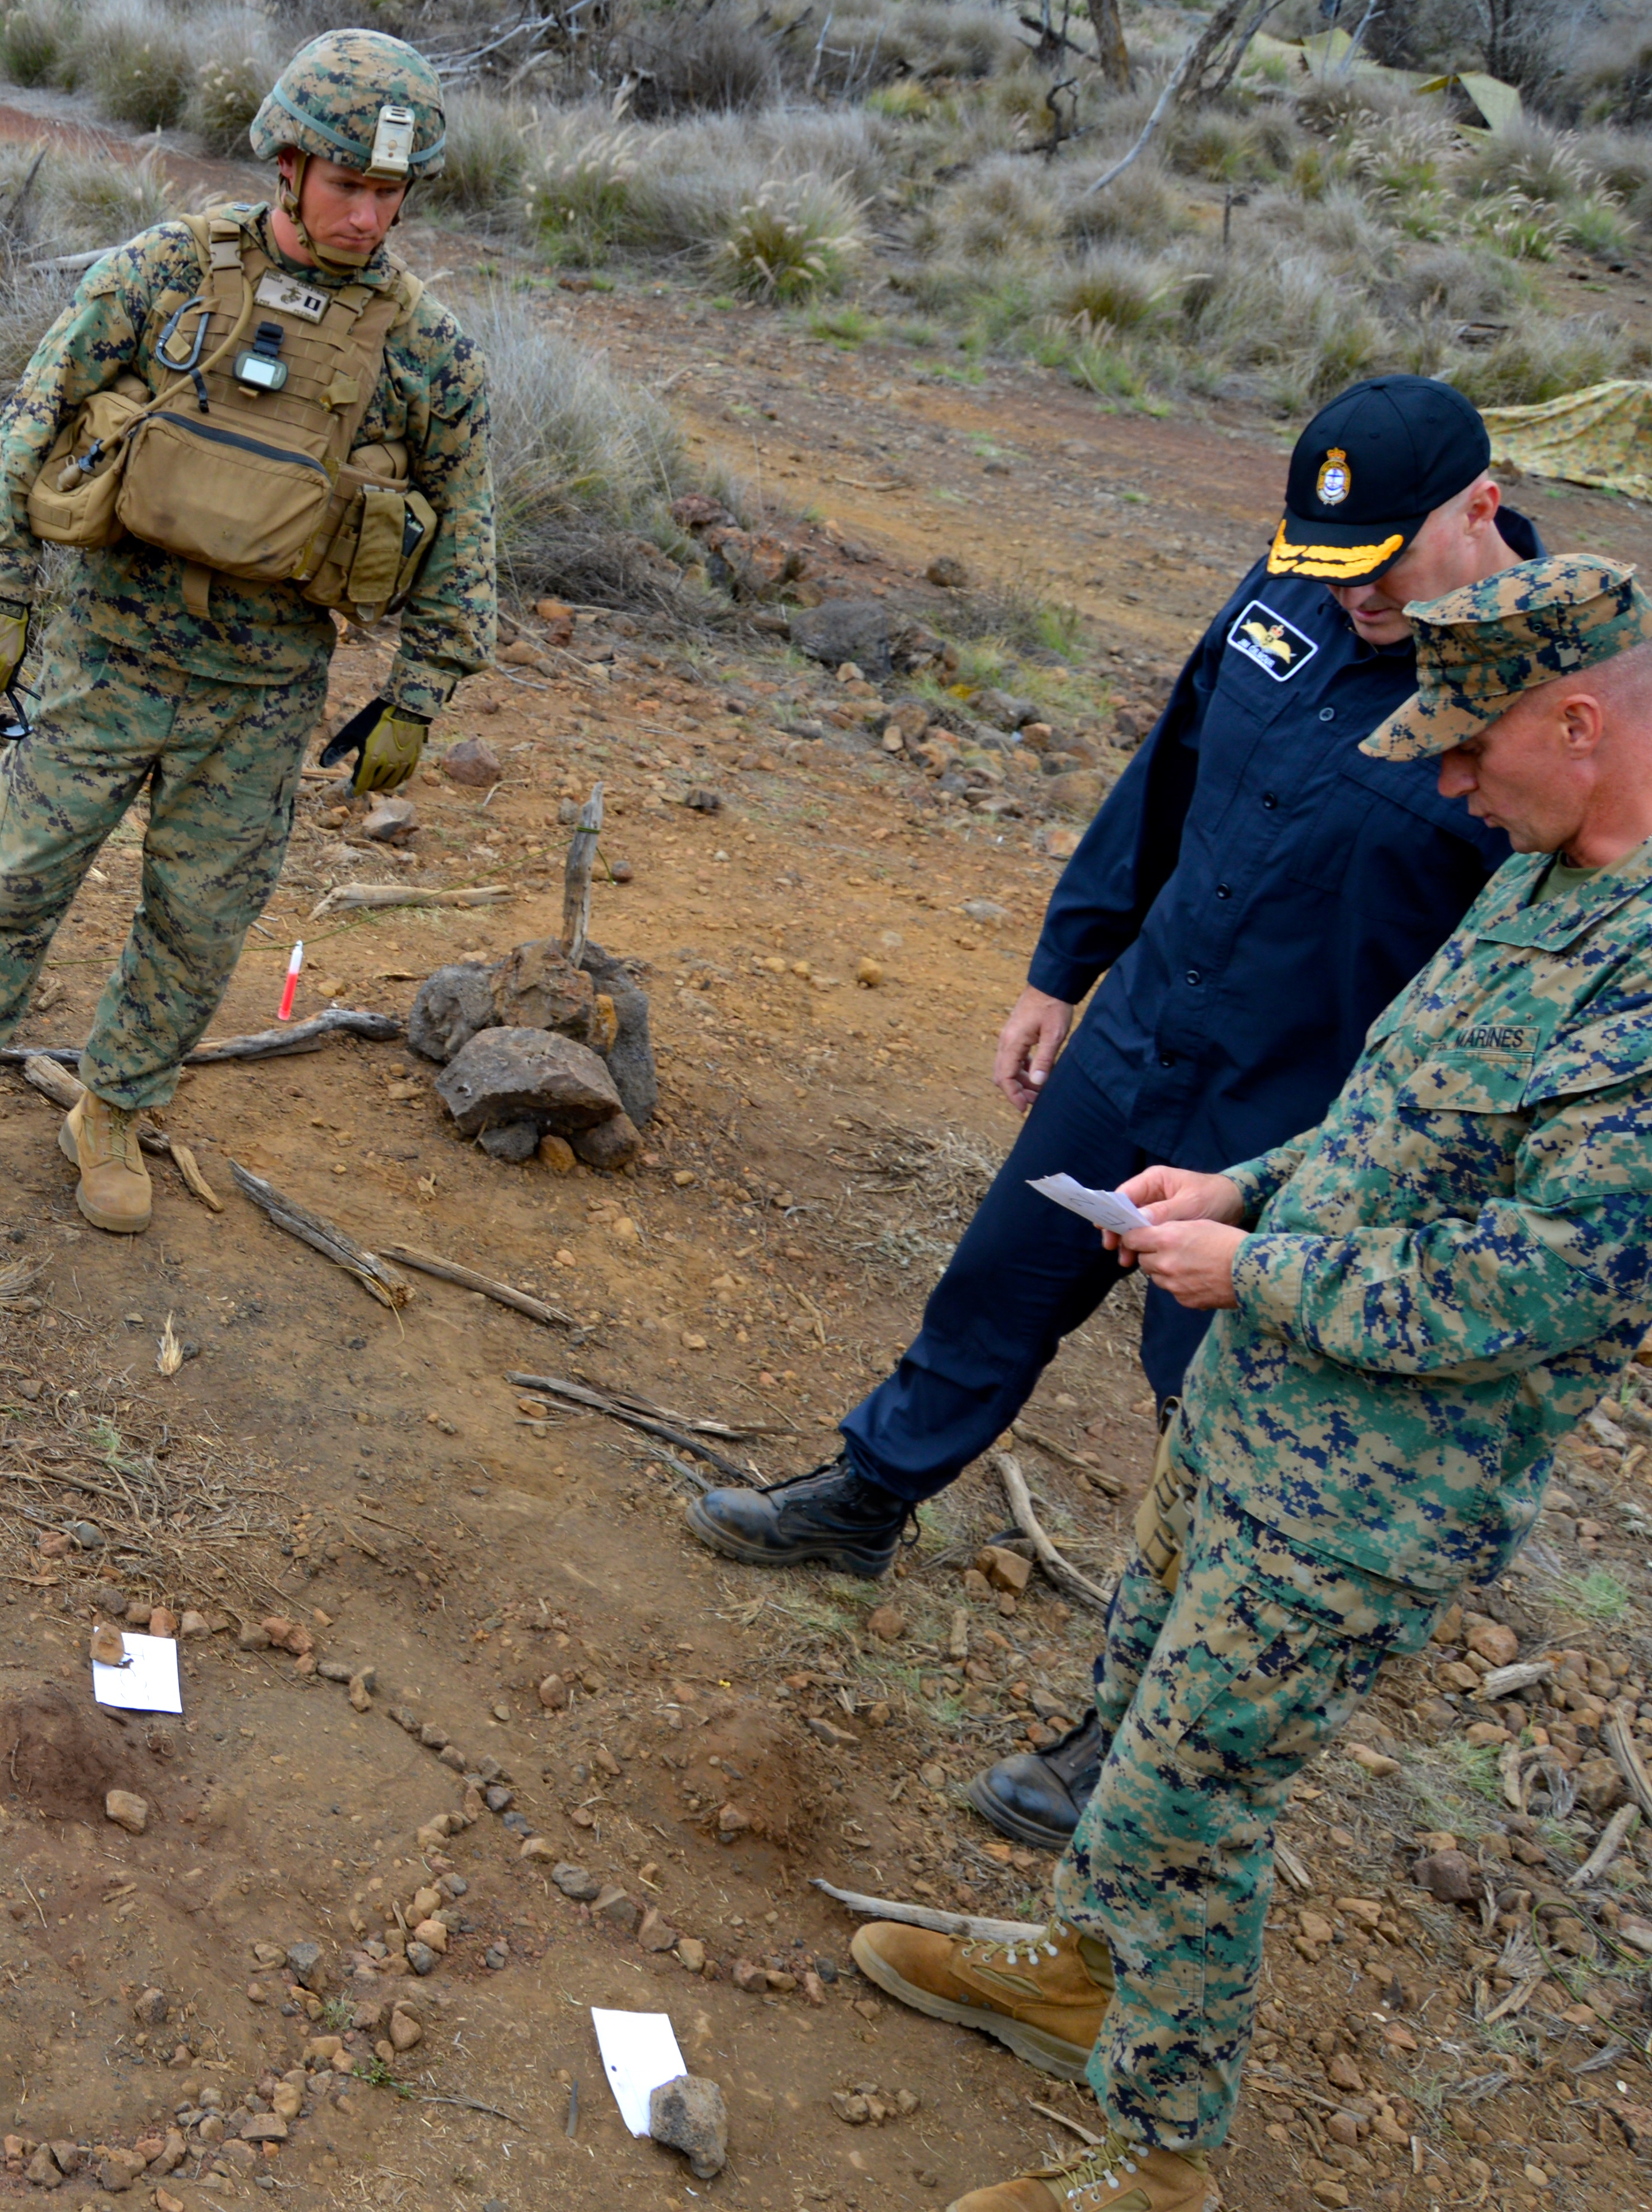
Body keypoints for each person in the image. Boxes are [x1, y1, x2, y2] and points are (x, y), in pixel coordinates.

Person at [855, 553, 1652, 2212]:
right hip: (1265, 1406)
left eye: (1467, 751)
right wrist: (1241, 1188)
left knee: (1192, 1796)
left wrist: (1259, 1268)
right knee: (1143, 1691)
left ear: (1580, 722)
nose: (1445, 784)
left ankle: (1162, 2162)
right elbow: (1399, 1114)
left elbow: (1557, 1276)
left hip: (1375, 1490)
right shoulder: (1551, 867)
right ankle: (1082, 1976)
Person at [685, 376, 1539, 1847]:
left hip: (1291, 1122)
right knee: (993, 1287)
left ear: (1479, 504)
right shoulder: (1300, 582)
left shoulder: (1540, 693)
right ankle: (864, 1498)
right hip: (1143, 1032)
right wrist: (1062, 964)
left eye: (1382, 564)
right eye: (1328, 564)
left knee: (1213, 1418)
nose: (1355, 597)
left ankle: (1129, 1723)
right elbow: (1169, 773)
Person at [0, 30, 495, 1231]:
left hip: (264, 682)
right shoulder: (165, 272)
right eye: (347, 186)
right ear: (286, 163)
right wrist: (1, 590)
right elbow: (35, 413)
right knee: (15, 878)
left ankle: (109, 1109)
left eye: (388, 192)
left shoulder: (428, 353)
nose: (368, 217)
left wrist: (420, 694)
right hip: (107, 644)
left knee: (197, 919)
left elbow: (465, 527)